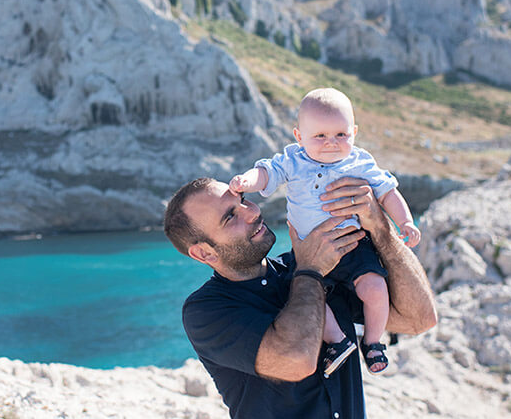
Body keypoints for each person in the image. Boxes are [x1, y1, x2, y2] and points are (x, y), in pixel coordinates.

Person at [163, 175, 436, 419]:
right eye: (230, 217)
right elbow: (296, 360)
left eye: (244, 200)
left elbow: (419, 319)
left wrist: (381, 229)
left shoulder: (315, 265)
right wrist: (311, 270)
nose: (253, 212)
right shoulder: (205, 311)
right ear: (204, 253)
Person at [228, 87, 420, 375]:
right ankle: (338, 341)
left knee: (376, 289)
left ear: (354, 132)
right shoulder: (292, 160)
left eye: (341, 135)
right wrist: (247, 181)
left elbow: (388, 192)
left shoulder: (360, 161)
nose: (331, 143)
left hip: (354, 245)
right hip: (309, 252)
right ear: (298, 136)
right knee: (310, 297)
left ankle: (372, 341)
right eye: (320, 136)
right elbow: (268, 172)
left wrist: (405, 222)